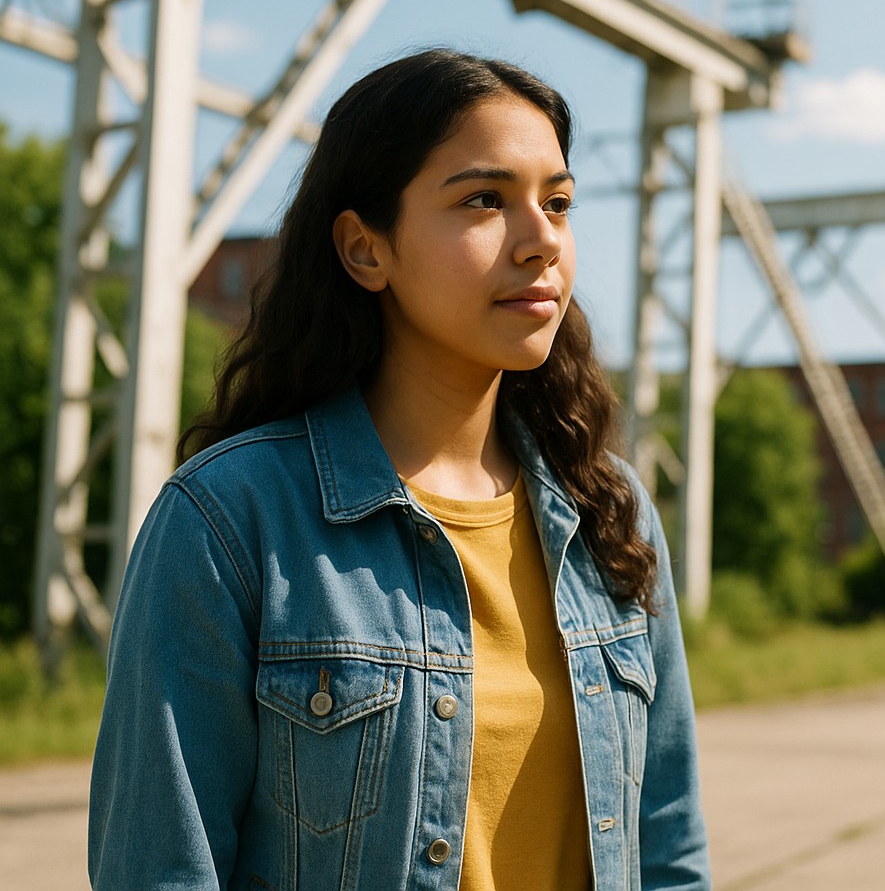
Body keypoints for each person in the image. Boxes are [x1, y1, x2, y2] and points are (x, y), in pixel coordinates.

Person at [87, 49, 710, 891]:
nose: (542, 242)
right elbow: (161, 869)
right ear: (364, 249)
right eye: (485, 200)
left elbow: (668, 854)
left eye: (557, 202)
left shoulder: (612, 511)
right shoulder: (229, 520)